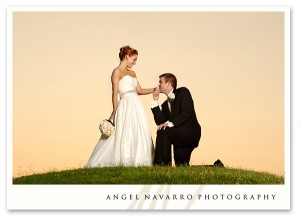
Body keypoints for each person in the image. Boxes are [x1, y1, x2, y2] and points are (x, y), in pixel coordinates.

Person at [85, 45, 155, 168]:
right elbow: (115, 92)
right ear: (127, 57)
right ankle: (124, 159)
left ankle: (139, 159)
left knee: (139, 129)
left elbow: (139, 90)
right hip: (125, 104)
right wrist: (115, 110)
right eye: (134, 59)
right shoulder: (116, 72)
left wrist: (154, 89)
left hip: (136, 105)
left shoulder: (133, 73)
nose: (135, 62)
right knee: (124, 131)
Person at [150, 73, 201, 166]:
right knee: (182, 166)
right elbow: (160, 122)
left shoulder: (183, 92)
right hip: (176, 135)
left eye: (160, 82)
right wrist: (155, 101)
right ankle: (217, 166)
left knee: (163, 131)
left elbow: (187, 113)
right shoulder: (165, 105)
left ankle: (161, 166)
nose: (158, 85)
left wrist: (169, 123)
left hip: (189, 133)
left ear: (168, 84)